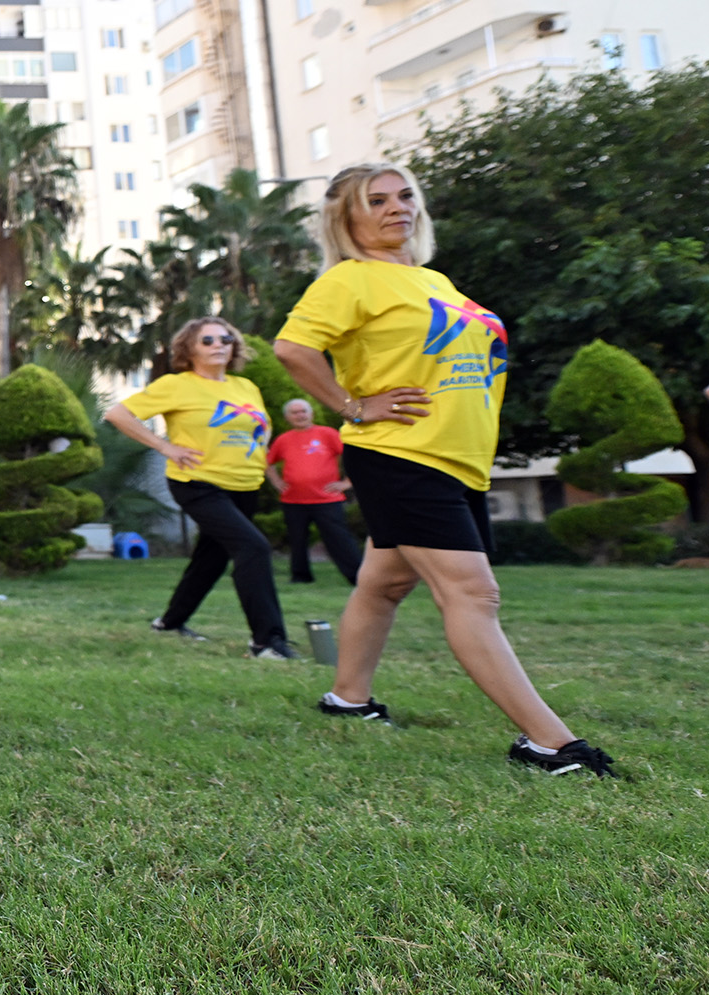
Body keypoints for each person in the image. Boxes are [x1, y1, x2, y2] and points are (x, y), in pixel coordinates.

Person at [274, 162, 615, 775]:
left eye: (404, 196)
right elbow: (292, 349)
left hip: (456, 459)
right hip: (399, 454)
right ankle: (550, 742)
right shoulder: (350, 279)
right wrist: (353, 406)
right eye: (375, 201)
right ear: (345, 218)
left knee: (385, 582)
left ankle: (348, 699)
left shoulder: (433, 279)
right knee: (472, 592)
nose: (395, 207)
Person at [107, 317, 297, 660]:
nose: (219, 345)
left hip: (244, 485)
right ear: (189, 349)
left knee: (210, 559)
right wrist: (165, 447)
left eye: (226, 339)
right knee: (253, 548)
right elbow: (119, 414)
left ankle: (169, 623)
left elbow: (258, 429)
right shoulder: (177, 385)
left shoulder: (245, 387)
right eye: (207, 340)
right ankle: (267, 642)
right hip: (198, 484)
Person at [266, 398, 363, 585]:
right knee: (297, 540)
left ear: (311, 413)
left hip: (327, 499)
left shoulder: (327, 434)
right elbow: (267, 462)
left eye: (303, 411)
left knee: (339, 538)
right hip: (293, 500)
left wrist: (347, 483)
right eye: (295, 412)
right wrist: (276, 481)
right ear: (287, 417)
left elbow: (354, 457)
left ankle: (356, 576)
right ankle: (300, 576)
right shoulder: (284, 439)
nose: (300, 415)